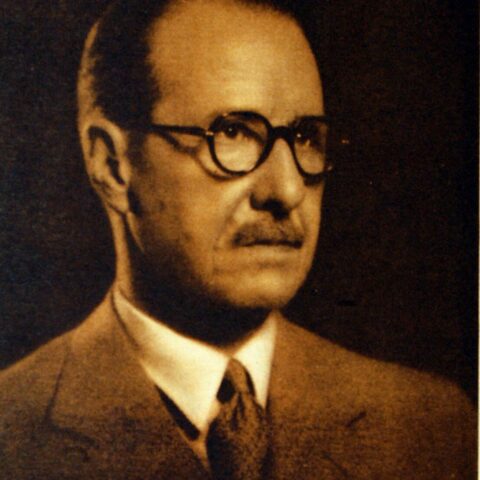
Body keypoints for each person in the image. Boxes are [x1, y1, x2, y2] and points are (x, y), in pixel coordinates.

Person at [0, 0, 475, 478]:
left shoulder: (430, 427)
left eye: (306, 138)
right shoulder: (13, 435)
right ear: (113, 167)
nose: (286, 190)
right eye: (232, 133)